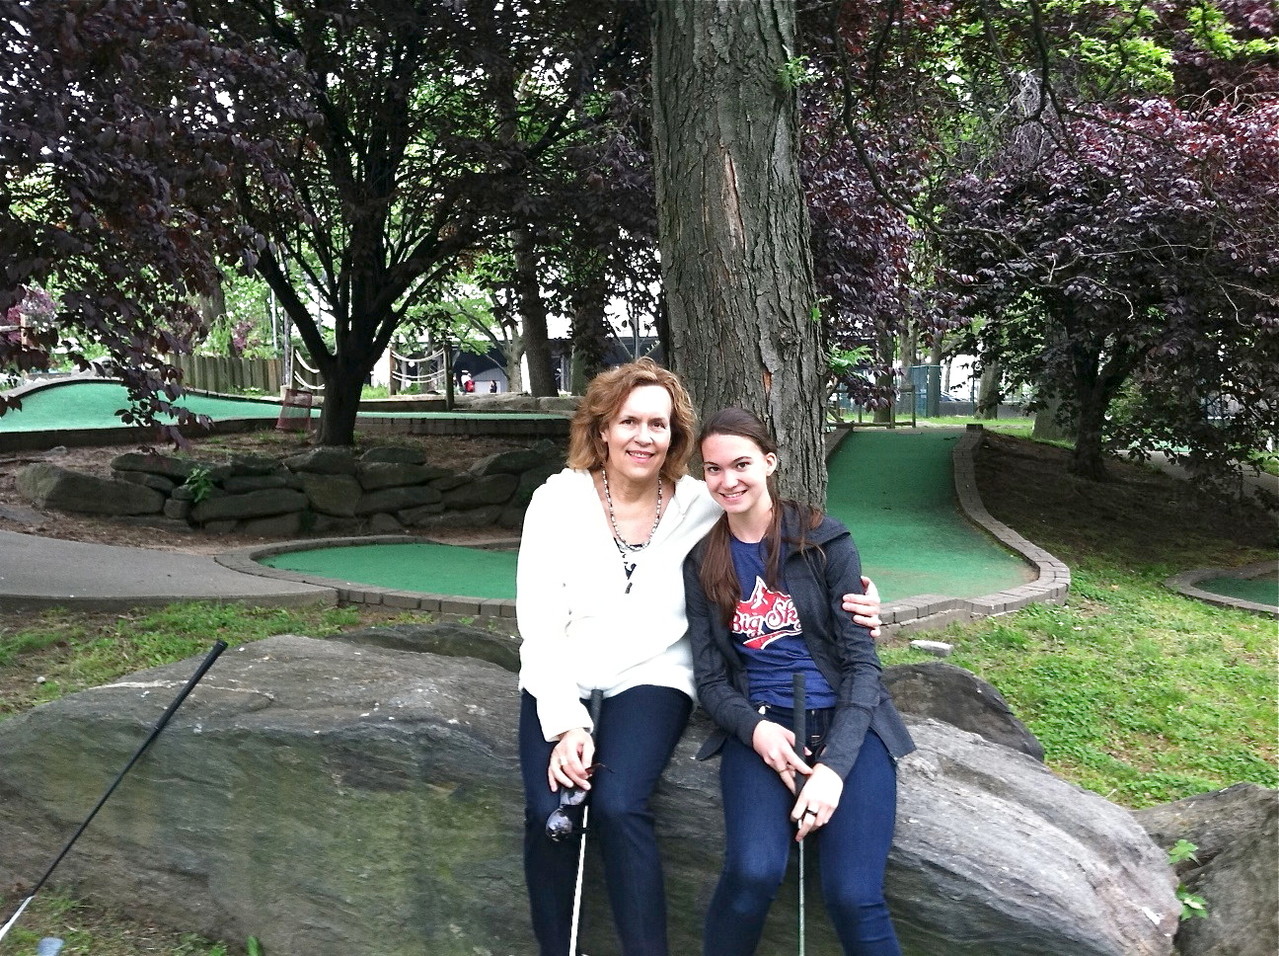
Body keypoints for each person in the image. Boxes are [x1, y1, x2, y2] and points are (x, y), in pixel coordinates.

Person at [516, 359, 883, 956]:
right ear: (602, 428)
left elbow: (787, 543)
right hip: (565, 673)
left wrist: (862, 596)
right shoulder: (556, 500)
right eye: (628, 421)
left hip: (653, 675)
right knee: (548, 812)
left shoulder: (702, 501)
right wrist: (564, 726)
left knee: (618, 804)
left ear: (674, 436)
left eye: (657, 424)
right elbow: (537, 623)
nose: (643, 436)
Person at [684, 407, 916, 956]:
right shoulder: (701, 562)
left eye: (741, 464)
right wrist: (756, 733)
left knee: (853, 893)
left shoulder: (823, 541)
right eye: (713, 469)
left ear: (770, 461)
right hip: (764, 726)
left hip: (845, 720)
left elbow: (862, 666)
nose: (728, 480)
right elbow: (712, 680)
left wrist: (834, 769)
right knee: (753, 873)